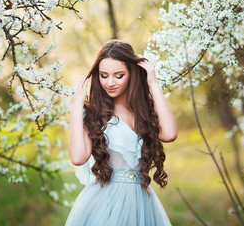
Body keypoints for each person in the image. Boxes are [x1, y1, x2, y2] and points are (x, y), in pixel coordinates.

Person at [66, 40, 177, 226]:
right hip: (106, 202)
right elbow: (77, 158)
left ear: (131, 74)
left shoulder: (144, 110)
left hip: (141, 202)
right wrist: (77, 105)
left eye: (119, 76)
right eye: (103, 75)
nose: (110, 83)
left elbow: (170, 134)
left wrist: (153, 83)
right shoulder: (92, 114)